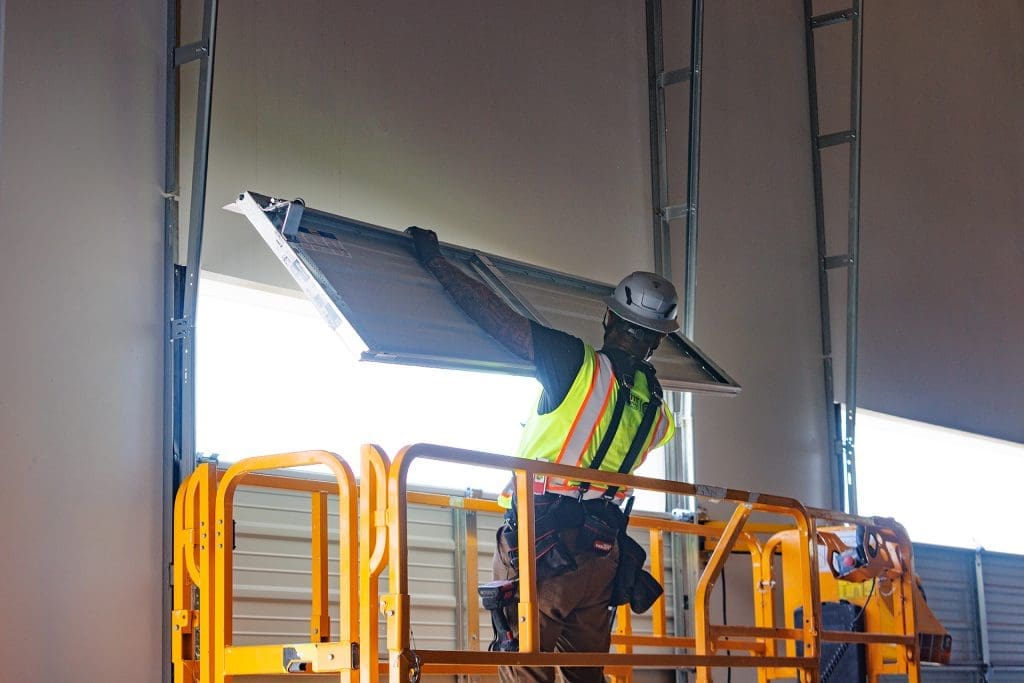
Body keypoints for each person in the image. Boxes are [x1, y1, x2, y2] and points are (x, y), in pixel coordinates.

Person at [406, 227, 677, 683]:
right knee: (585, 674)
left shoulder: (577, 363)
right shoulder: (657, 408)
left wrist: (435, 263)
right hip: (602, 554)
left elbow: (496, 319)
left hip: (544, 545)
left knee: (524, 666)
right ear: (658, 341)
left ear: (608, 316)